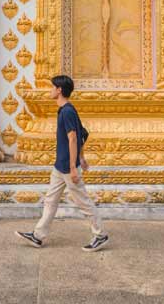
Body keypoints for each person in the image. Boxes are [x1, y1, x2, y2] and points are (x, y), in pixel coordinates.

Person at [16, 75, 109, 252]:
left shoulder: (67, 112)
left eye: (52, 87)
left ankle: (100, 234)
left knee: (83, 202)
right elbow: (83, 134)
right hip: (60, 166)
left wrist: (74, 166)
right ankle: (38, 235)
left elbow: (74, 137)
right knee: (50, 200)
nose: (50, 90)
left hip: (67, 166)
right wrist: (82, 158)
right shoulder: (67, 110)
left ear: (59, 90)